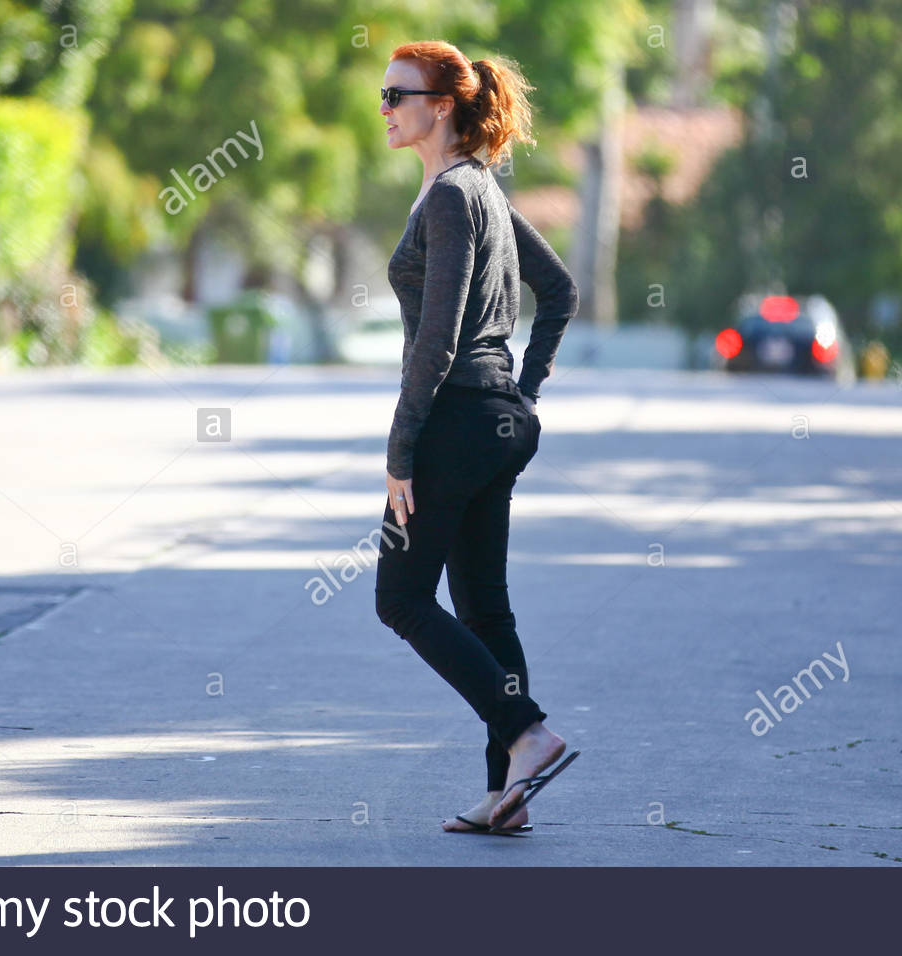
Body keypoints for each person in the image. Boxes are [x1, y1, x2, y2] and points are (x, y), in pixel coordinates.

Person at [373, 41, 580, 834]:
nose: (387, 108)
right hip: (491, 423)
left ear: (443, 106)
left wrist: (401, 449)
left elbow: (439, 335)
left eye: (399, 95)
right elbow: (557, 290)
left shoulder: (456, 197)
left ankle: (527, 734)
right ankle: (509, 798)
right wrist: (521, 394)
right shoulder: (476, 190)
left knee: (399, 598)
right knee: (485, 610)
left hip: (456, 422)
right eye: (383, 94)